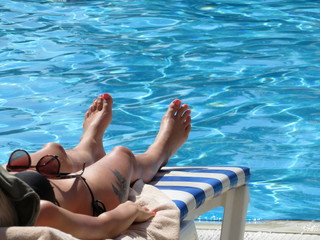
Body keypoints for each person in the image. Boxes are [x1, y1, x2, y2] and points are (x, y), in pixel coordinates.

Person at [0, 93, 192, 239]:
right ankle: (158, 154)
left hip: (11, 183)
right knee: (122, 157)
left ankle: (89, 146)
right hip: (57, 199)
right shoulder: (41, 214)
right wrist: (132, 210)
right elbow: (102, 226)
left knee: (53, 151)